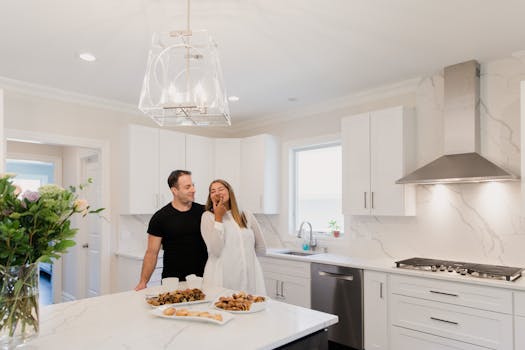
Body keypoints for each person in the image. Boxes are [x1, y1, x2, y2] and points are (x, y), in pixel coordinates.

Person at [134, 170, 207, 291]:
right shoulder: (160, 217)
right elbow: (151, 253)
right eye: (187, 187)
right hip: (173, 282)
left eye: (193, 185)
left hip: (202, 280)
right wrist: (143, 282)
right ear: (175, 190)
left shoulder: (204, 212)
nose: (193, 189)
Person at [200, 179, 267, 295]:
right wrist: (218, 218)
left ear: (229, 192)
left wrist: (246, 260)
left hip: (249, 279)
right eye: (213, 191)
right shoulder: (208, 217)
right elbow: (215, 251)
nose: (217, 193)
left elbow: (261, 248)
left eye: (221, 189)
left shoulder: (246, 215)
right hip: (222, 278)